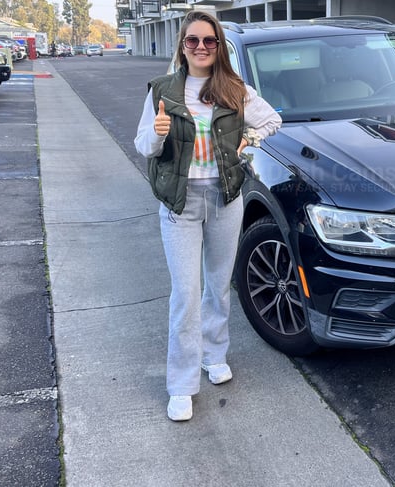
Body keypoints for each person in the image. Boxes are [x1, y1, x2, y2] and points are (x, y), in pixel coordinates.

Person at [134, 10, 281, 422]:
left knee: (217, 286)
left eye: (209, 41)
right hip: (180, 203)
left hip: (224, 198)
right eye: (193, 40)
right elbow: (143, 145)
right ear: (182, 46)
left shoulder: (234, 89)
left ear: (218, 47)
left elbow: (273, 119)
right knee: (185, 293)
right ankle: (181, 384)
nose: (201, 47)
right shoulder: (162, 90)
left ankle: (213, 355)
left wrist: (249, 139)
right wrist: (159, 131)